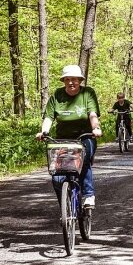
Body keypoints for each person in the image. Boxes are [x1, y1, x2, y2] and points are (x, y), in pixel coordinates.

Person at [36, 65, 101, 208]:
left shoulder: (87, 93)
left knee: (82, 159)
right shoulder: (57, 95)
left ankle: (88, 195)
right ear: (64, 81)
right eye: (68, 79)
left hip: (85, 136)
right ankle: (65, 206)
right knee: (57, 175)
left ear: (80, 80)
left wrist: (96, 128)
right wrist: (44, 132)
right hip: (62, 140)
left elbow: (92, 114)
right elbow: (48, 117)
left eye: (74, 79)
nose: (71, 82)